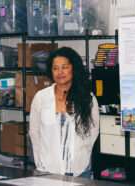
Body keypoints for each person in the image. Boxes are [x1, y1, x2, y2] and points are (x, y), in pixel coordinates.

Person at [29, 47, 99, 178]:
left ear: (74, 68)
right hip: (47, 171)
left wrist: (82, 156)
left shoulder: (87, 98)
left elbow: (93, 133)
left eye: (64, 67)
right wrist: (40, 163)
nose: (60, 72)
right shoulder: (41, 97)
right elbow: (34, 132)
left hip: (80, 171)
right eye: (55, 68)